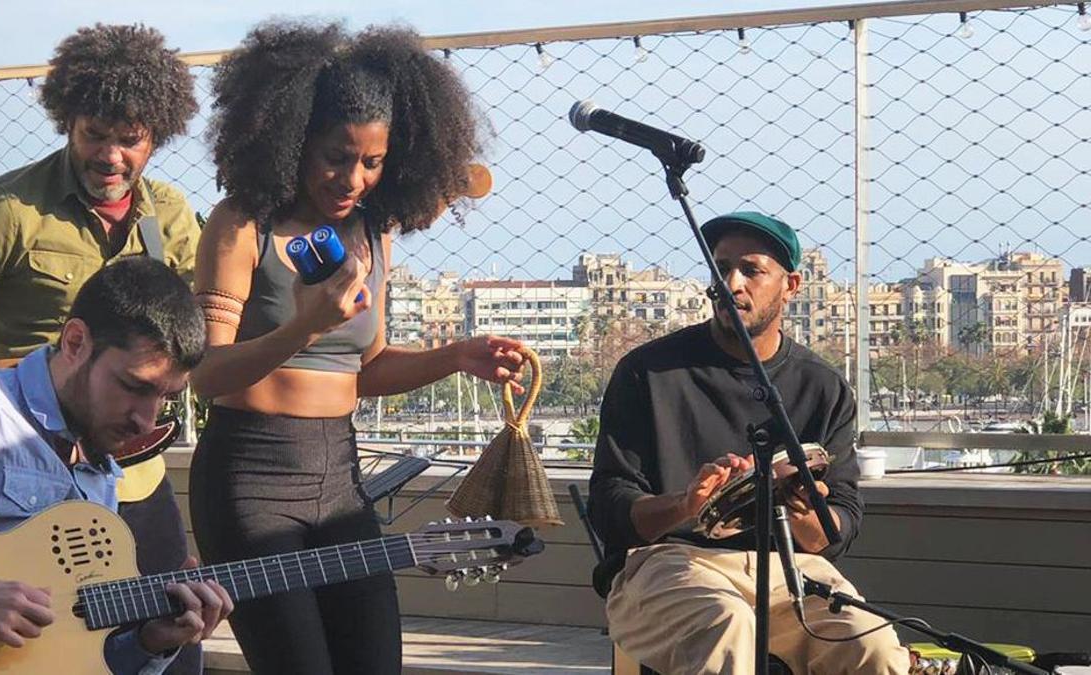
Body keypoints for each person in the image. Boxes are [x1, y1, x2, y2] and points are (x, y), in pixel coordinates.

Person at [188, 20, 526, 675]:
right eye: (336, 156)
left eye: (372, 161)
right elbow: (205, 373)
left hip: (339, 479)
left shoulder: (373, 234)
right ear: (293, 141)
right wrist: (302, 327)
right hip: (248, 479)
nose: (353, 178)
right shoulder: (243, 224)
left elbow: (362, 370)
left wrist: (456, 355)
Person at [0, 24, 204, 673]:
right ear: (68, 120)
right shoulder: (9, 209)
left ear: (158, 136)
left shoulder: (172, 217)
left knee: (163, 651)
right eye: (95, 134)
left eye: (131, 139)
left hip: (121, 482)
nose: (111, 155)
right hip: (11, 473)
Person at [588, 212, 909, 674]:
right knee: (726, 623)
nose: (731, 283)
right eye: (720, 268)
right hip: (672, 565)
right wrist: (685, 503)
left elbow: (835, 535)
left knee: (872, 646)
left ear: (790, 285)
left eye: (751, 270)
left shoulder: (822, 386)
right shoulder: (648, 372)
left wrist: (805, 509)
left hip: (791, 573)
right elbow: (611, 509)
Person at [0, 257, 232, 674]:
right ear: (75, 342)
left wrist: (150, 642)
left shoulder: (98, 472)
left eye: (165, 396)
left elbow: (71, 659)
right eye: (134, 386)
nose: (147, 418)